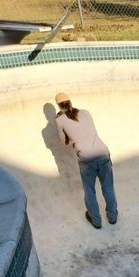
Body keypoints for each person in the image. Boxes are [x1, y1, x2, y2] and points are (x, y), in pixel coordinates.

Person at [54, 92, 118, 229]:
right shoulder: (85, 113)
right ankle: (112, 217)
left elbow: (64, 142)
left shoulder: (60, 120)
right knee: (108, 187)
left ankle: (96, 221)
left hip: (86, 159)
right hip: (102, 153)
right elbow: (87, 131)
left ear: (58, 106)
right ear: (70, 101)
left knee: (89, 191)